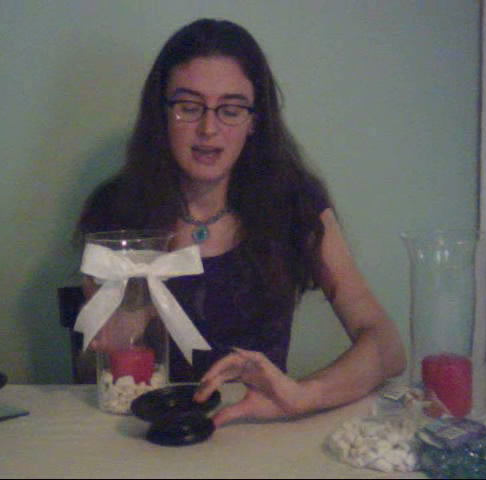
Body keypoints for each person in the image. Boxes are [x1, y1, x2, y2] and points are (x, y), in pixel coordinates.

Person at [76, 18, 406, 425]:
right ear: (161, 114)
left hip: (257, 430)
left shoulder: (295, 204)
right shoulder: (116, 209)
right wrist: (127, 318)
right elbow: (95, 368)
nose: (208, 129)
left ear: (254, 121)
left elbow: (387, 346)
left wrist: (304, 394)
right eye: (188, 107)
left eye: (230, 110)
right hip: (143, 432)